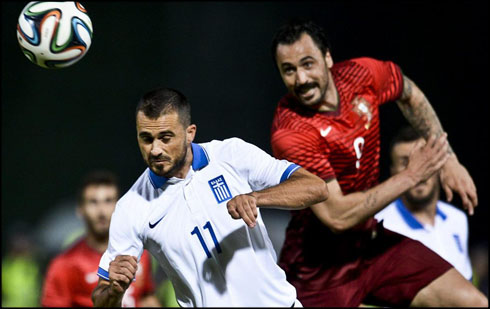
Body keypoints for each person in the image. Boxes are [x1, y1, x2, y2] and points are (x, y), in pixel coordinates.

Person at [269, 18, 487, 307]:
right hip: (319, 270)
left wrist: (447, 158)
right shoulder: (291, 132)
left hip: (370, 245)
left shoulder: (362, 75)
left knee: (472, 302)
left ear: (328, 58)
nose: (301, 79)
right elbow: (337, 217)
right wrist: (411, 175)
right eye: (289, 70)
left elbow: (409, 94)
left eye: (308, 64)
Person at [91, 87, 328, 307]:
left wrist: (256, 197)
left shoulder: (231, 155)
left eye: (165, 138)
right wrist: (114, 291)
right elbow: (101, 297)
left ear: (189, 133)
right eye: (146, 138)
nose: (155, 150)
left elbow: (315, 187)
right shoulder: (131, 207)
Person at [41, 170, 161, 307]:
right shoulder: (64, 264)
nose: (101, 211)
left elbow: (145, 297)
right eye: (93, 202)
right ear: (80, 209)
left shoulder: (139, 253)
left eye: (108, 201)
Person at [375, 126, 473, 281]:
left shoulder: (458, 219)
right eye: (405, 162)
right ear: (393, 172)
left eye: (424, 160)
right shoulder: (382, 225)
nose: (418, 171)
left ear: (439, 165)